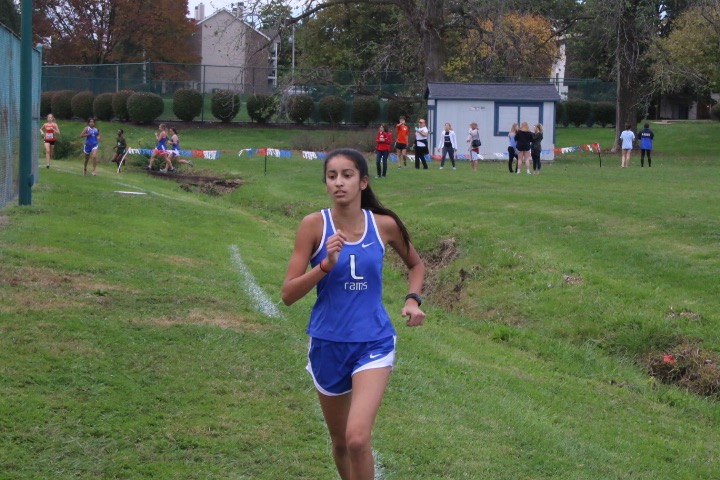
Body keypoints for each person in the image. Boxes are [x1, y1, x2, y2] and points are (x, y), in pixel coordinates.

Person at [281, 148, 426, 480]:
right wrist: (324, 266)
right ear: (326, 183)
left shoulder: (384, 225)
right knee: (341, 443)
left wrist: (412, 299)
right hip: (327, 343)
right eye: (332, 177)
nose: (339, 183)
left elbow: (416, 265)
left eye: (347, 175)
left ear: (363, 182)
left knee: (358, 438)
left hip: (373, 342)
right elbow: (288, 294)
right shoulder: (313, 225)